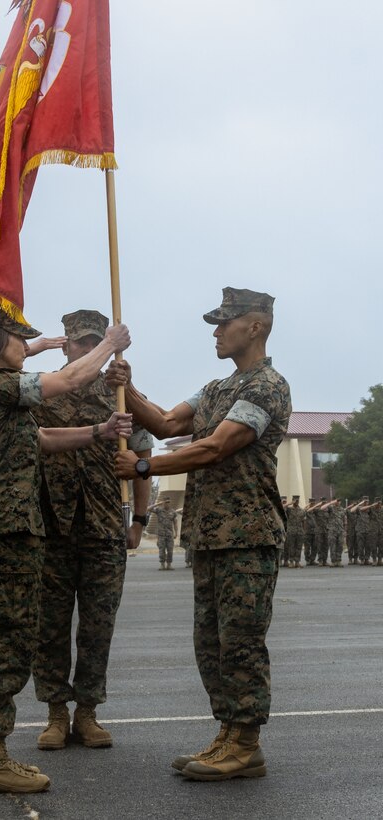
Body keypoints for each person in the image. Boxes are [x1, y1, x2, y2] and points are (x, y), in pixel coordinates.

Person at [109, 286, 291, 781]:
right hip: (210, 535)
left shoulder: (267, 386)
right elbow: (167, 422)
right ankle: (229, 735)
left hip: (247, 535)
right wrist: (130, 385)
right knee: (209, 643)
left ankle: (247, 744)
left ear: (254, 326)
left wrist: (143, 465)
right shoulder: (214, 389)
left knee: (241, 643)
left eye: (224, 322)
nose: (215, 331)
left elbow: (215, 447)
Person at [0, 305, 132, 795]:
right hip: (3, 530)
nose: (24, 346)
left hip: (12, 530)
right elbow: (68, 382)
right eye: (17, 339)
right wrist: (110, 344)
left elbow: (44, 437)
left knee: (7, 641)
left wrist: (99, 432)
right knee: (2, 644)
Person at [30, 309, 153, 752]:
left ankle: (87, 711)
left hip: (103, 529)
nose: (86, 349)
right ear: (65, 344)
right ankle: (55, 712)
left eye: (95, 341)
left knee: (98, 627)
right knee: (50, 626)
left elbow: (142, 463)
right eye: (80, 342)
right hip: (51, 528)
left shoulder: (119, 395)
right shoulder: (43, 391)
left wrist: (139, 521)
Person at [148, 497, 178, 570]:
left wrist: (176, 533)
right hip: (161, 534)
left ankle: (169, 565)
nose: (167, 504)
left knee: (170, 550)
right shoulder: (159, 510)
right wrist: (158, 504)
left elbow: (175, 523)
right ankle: (162, 564)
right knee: (162, 550)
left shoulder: (173, 512)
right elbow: (148, 509)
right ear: (163, 502)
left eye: (168, 502)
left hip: (169, 534)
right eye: (165, 502)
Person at [285, 495, 305, 568]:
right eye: (295, 500)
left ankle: (297, 562)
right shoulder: (289, 510)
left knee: (299, 547)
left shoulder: (301, 511)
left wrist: (303, 531)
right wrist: (289, 503)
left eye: (297, 500)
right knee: (291, 547)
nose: (296, 502)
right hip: (291, 531)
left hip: (300, 531)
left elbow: (303, 521)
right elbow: (281, 507)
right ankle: (291, 562)